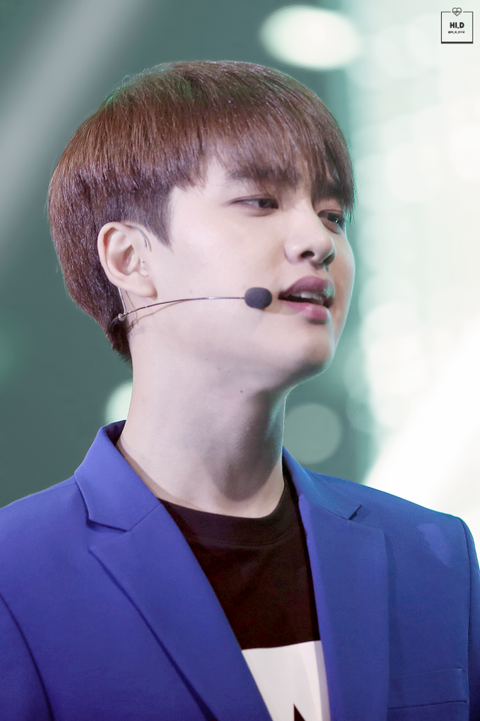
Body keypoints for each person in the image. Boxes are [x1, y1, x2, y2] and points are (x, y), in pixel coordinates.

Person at [0, 61, 478, 721]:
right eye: (260, 201)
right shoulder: (15, 575)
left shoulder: (433, 553)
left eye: (333, 214)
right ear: (129, 258)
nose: (318, 241)